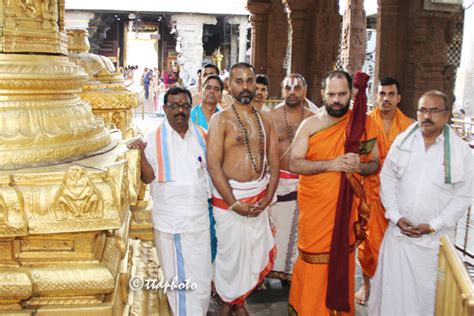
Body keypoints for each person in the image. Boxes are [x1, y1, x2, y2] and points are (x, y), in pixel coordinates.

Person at [369, 90, 473, 316]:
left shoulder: (460, 151)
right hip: (398, 236)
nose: (427, 116)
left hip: (434, 243)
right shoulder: (403, 141)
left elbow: (463, 196)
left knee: (426, 302)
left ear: (446, 115)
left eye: (434, 110)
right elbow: (387, 179)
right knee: (391, 297)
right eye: (423, 110)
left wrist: (434, 224)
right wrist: (396, 216)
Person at [288, 70, 379, 315]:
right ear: (322, 94)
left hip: (344, 214)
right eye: (331, 94)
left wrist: (357, 165)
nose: (336, 100)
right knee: (312, 261)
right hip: (315, 215)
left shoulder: (362, 125)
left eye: (342, 94)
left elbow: (374, 163)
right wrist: (331, 164)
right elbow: (293, 163)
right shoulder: (311, 125)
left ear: (351, 93)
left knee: (341, 263)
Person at [127, 87, 211, 315]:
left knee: (202, 282)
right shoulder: (153, 139)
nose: (180, 110)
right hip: (173, 225)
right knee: (182, 287)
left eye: (184, 105)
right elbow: (147, 177)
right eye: (174, 106)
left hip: (200, 222)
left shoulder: (203, 135)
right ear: (165, 108)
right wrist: (141, 154)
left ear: (190, 107)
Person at [206, 62, 279, 316]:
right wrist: (235, 204)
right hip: (230, 204)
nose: (246, 86)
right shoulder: (221, 119)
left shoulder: (266, 120)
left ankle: (236, 304)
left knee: (250, 260)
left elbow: (275, 163)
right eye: (239, 81)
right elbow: (213, 166)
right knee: (230, 260)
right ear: (230, 85)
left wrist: (268, 198)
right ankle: (230, 305)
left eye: (249, 80)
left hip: (258, 198)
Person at [355, 77, 413, 305]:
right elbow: (361, 157)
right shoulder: (366, 122)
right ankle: (367, 285)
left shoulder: (409, 127)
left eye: (391, 94)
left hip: (400, 194)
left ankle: (392, 287)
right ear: (375, 96)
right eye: (382, 94)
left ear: (399, 98)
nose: (386, 99)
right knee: (369, 242)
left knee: (399, 243)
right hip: (371, 191)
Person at [268, 74, 315, 281]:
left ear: (305, 90)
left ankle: (292, 273)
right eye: (288, 87)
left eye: (297, 88)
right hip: (278, 182)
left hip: (304, 182)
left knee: (299, 231)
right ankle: (271, 270)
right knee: (276, 228)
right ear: (282, 90)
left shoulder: (314, 119)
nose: (292, 92)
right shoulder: (271, 117)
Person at [190, 74, 223, 266]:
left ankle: (213, 272)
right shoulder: (191, 116)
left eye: (216, 89)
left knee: (216, 227)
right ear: (201, 90)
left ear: (221, 94)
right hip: (196, 180)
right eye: (208, 87)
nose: (211, 91)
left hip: (218, 179)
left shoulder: (225, 118)